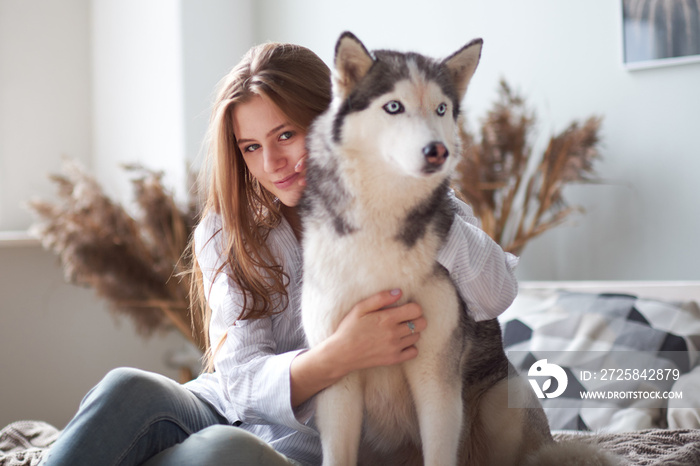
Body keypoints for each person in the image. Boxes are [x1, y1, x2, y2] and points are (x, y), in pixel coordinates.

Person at [40, 41, 518, 466]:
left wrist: (417, 205)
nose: (273, 164)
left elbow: (495, 294)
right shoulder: (228, 230)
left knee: (221, 452)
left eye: (287, 135)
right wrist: (341, 353)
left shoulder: (422, 195)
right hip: (219, 407)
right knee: (126, 390)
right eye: (251, 146)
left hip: (294, 446)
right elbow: (240, 384)